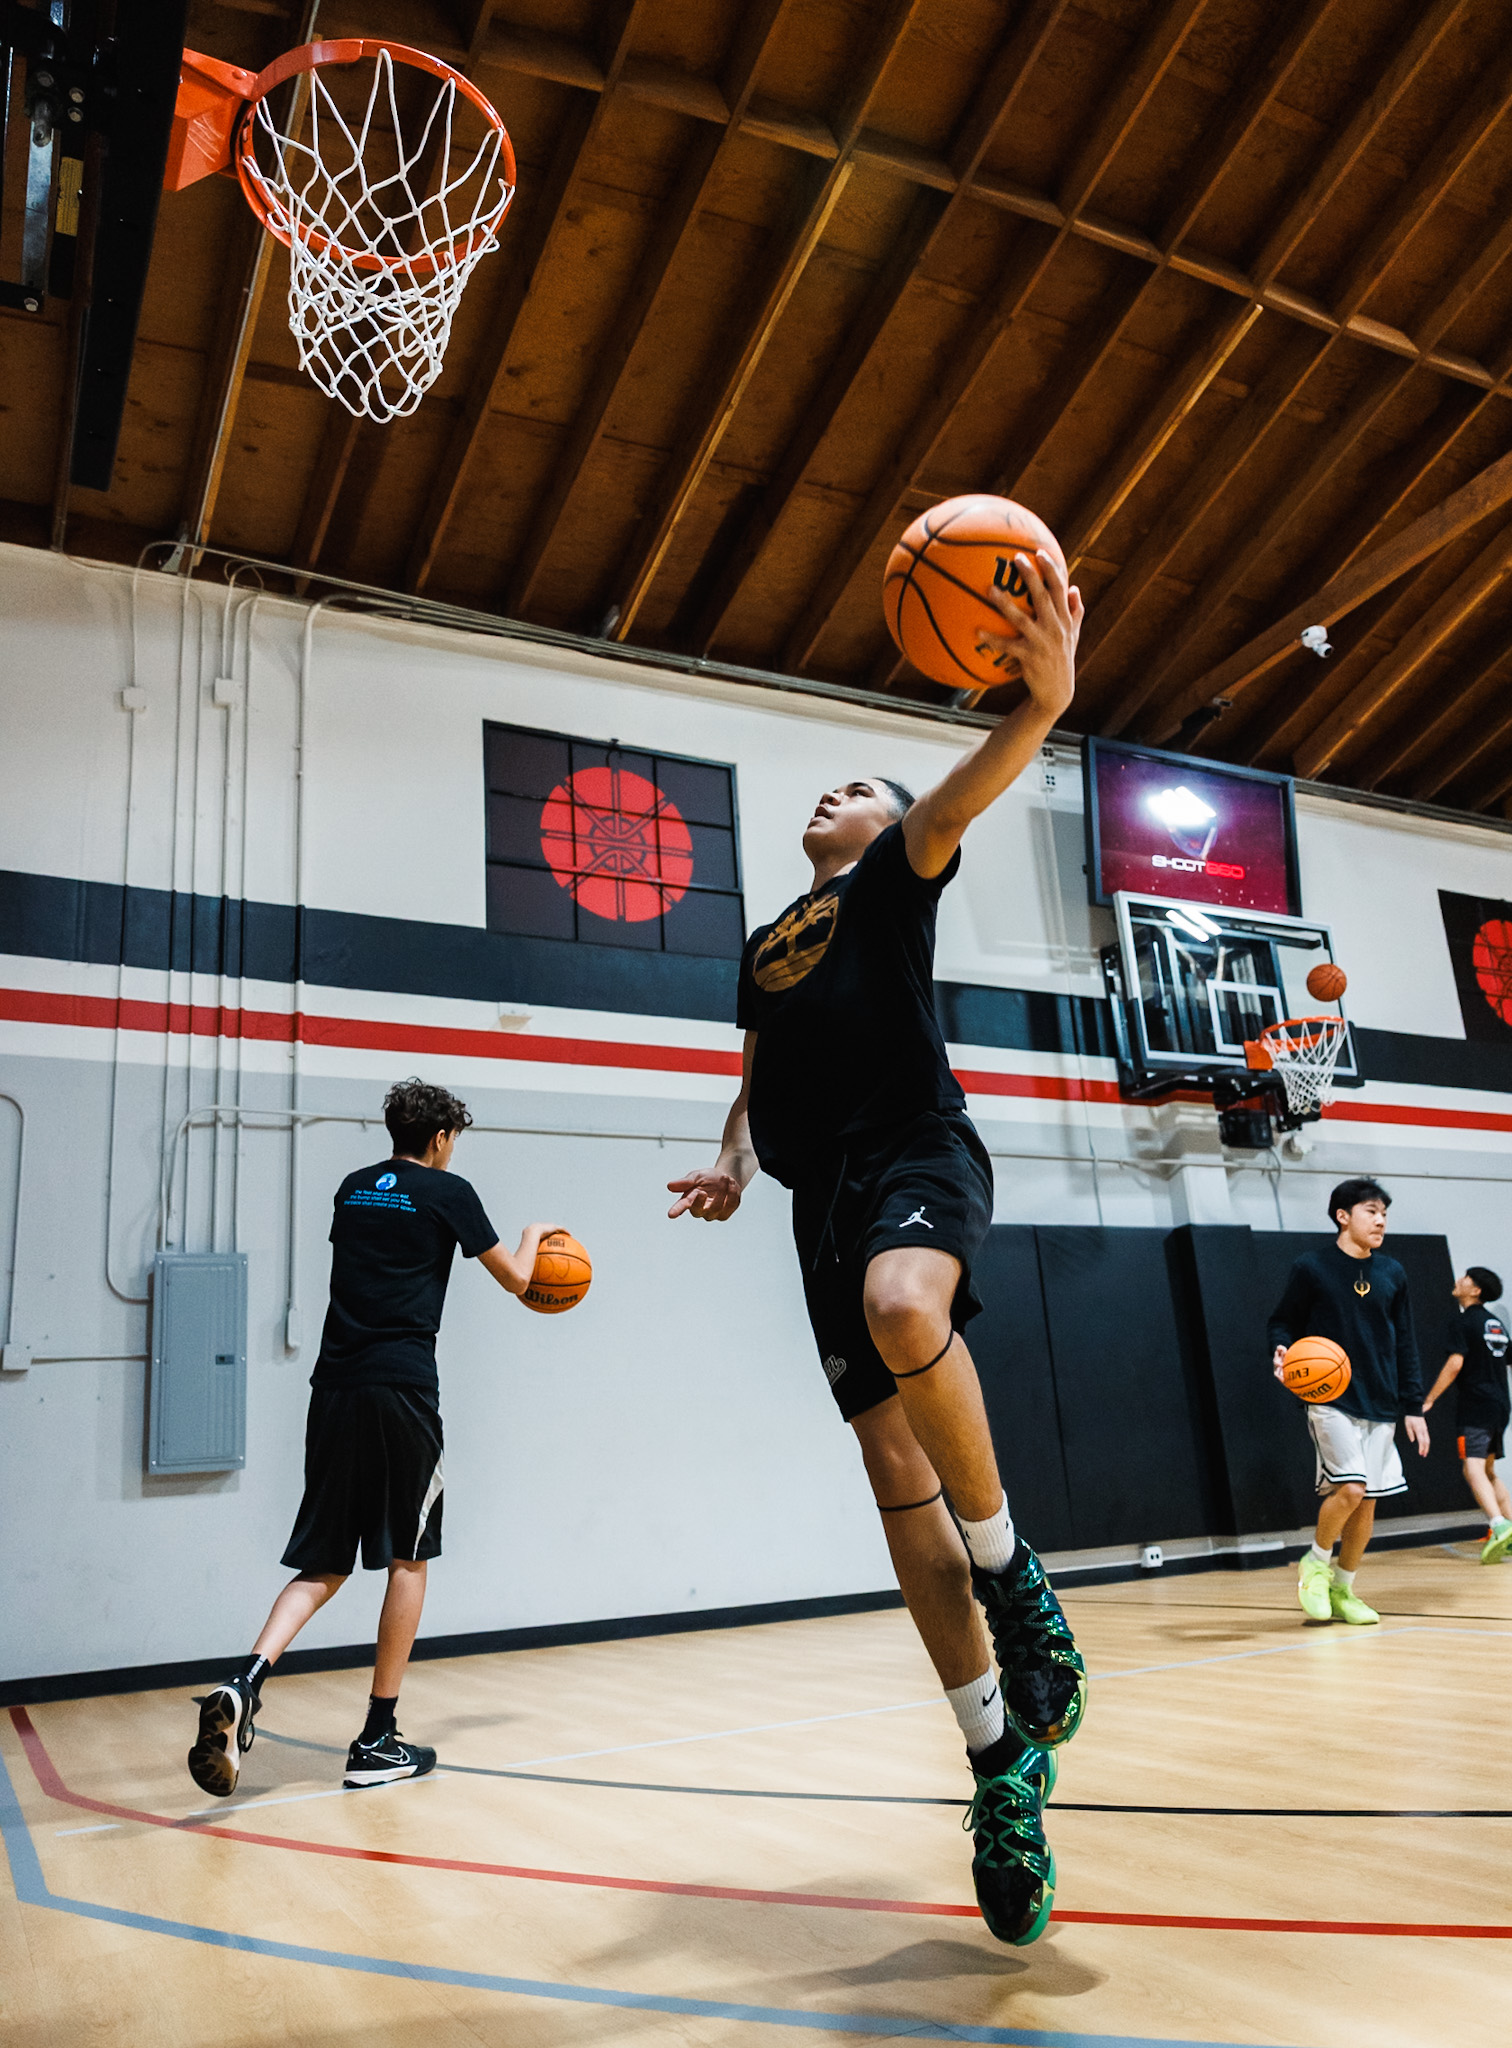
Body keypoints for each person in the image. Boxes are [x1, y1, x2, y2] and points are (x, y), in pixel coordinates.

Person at [665, 547, 1086, 1948]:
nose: (828, 793)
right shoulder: (768, 934)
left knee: (909, 1305)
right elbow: (759, 1058)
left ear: (898, 822)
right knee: (888, 1478)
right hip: (809, 1192)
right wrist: (732, 1159)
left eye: (856, 783)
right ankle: (995, 1764)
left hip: (913, 1144)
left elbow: (986, 768)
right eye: (823, 788)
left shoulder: (900, 871)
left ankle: (1019, 1578)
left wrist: (1042, 698)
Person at [188, 1079, 560, 1798]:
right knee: (408, 1556)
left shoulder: (353, 1188)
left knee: (324, 1561)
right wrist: (536, 1235)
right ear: (443, 1138)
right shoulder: (450, 1193)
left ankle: (246, 1681)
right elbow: (519, 1281)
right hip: (402, 1391)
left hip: (334, 1391)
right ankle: (375, 1740)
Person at [1268, 1177, 1429, 1625]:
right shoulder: (1312, 1267)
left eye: (1384, 1214)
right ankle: (1316, 1563)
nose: (1381, 1221)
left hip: (1381, 1398)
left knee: (1369, 1501)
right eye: (1371, 1211)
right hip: (1329, 1397)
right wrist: (1281, 1348)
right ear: (1343, 1216)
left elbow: (1406, 1343)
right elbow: (1282, 1321)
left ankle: (1344, 1589)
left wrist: (1412, 1405)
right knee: (1352, 1488)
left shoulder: (1392, 1272)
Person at [1422, 1266, 1512, 1562]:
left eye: (1466, 1278)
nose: (1459, 1280)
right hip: (1500, 1407)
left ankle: (1499, 1526)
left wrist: (1430, 1399)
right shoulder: (1495, 1324)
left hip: (1476, 1406)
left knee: (1471, 1470)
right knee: (1487, 1471)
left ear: (1475, 1290)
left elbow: (1455, 1363)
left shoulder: (1464, 1322)